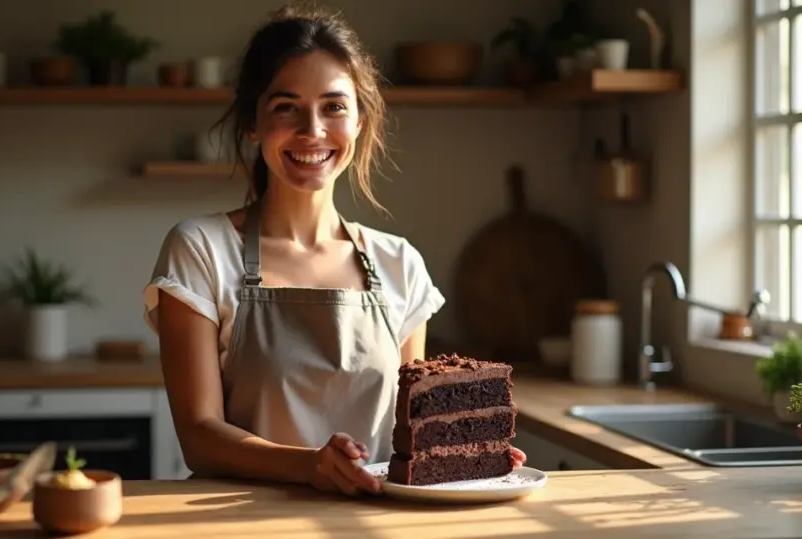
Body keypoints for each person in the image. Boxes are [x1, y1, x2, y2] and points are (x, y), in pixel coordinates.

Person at [143, 4, 526, 497]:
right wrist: (309, 466)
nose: (313, 130)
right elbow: (199, 436)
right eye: (286, 107)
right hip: (241, 522)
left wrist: (459, 455)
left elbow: (405, 431)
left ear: (361, 120)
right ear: (251, 124)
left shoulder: (399, 263)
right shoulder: (200, 250)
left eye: (334, 106)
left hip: (376, 523)